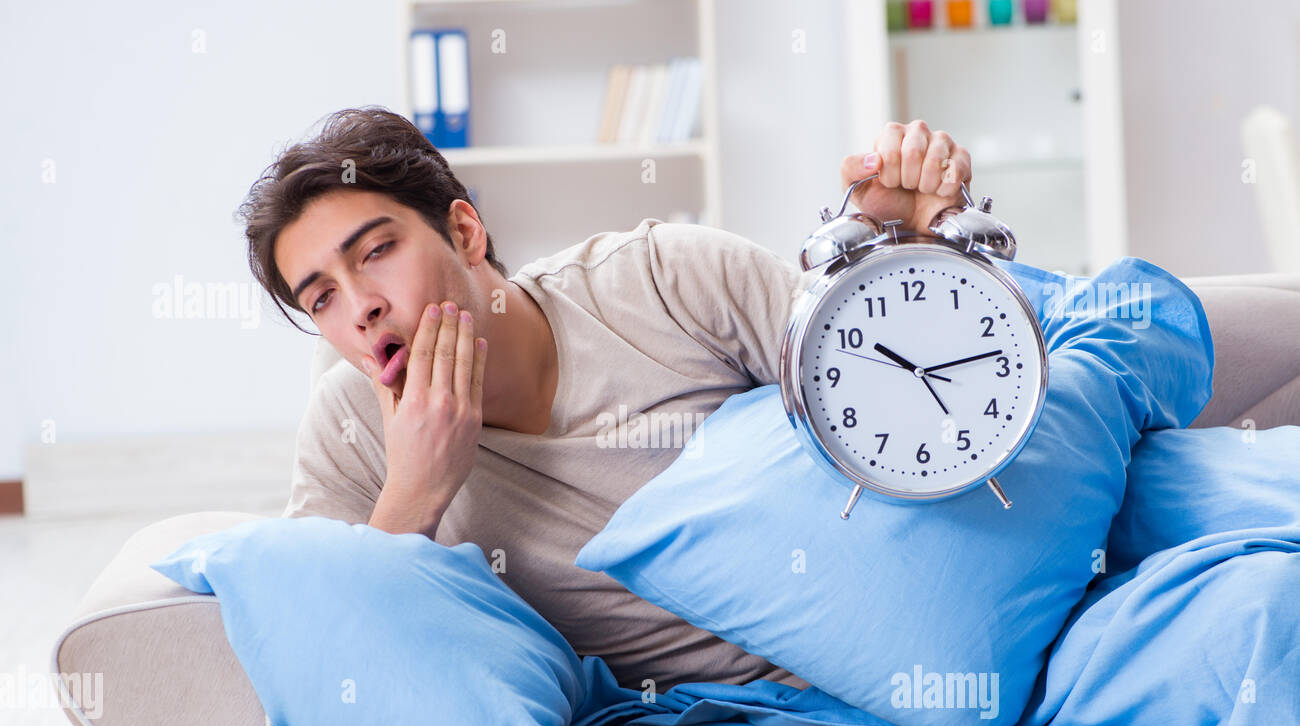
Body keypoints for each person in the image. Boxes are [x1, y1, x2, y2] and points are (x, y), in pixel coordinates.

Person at [237, 107, 973, 694]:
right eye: (323, 296)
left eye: (376, 252)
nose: (361, 307)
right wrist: (413, 500)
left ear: (464, 231)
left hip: (880, 654)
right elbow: (327, 676)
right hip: (664, 721)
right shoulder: (348, 432)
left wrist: (910, 246)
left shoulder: (666, 279)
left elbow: (924, 398)